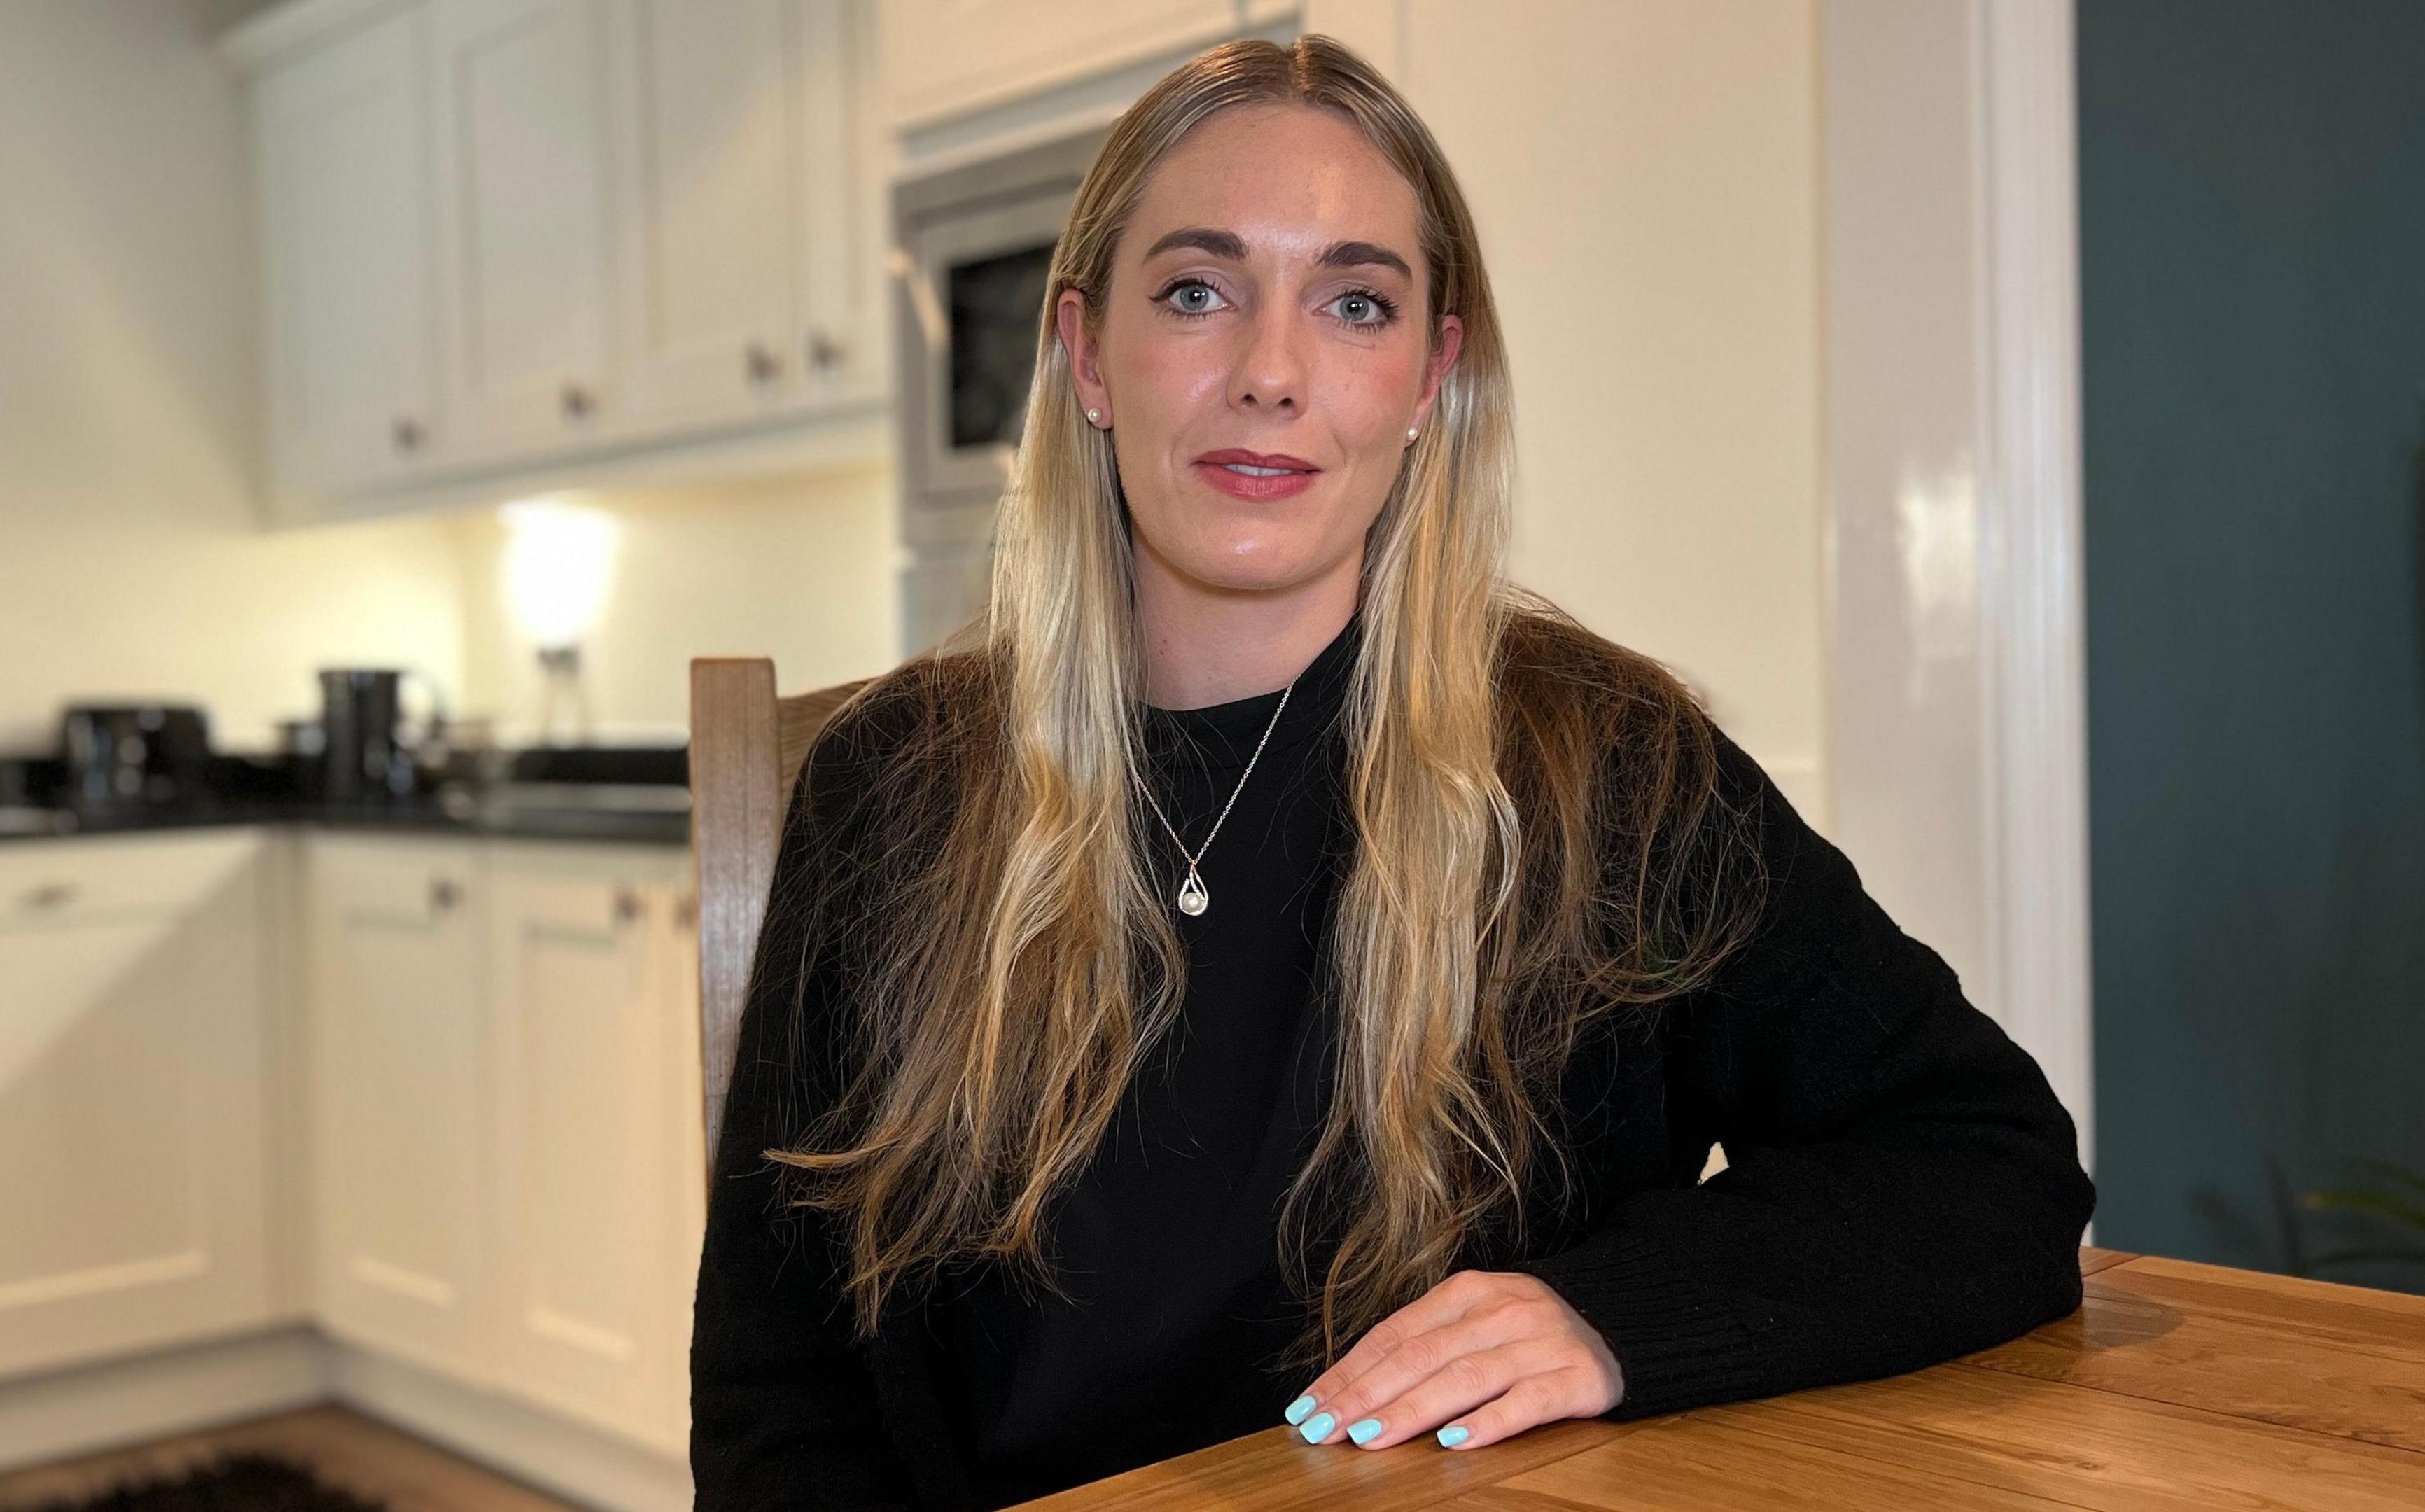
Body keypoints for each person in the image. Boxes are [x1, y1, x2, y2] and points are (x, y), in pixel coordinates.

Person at [690, 32, 2093, 1512]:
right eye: (1195, 292)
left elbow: (1986, 1161)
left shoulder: (1606, 772)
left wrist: (1614, 1318)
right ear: (1089, 356)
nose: (1272, 373)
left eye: (1353, 303)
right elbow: (782, 1399)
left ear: (1434, 375)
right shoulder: (888, 793)